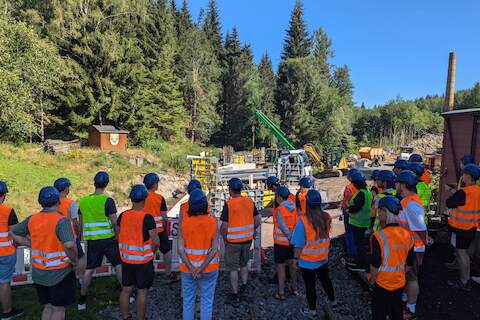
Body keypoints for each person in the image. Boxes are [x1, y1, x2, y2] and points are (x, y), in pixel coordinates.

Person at [11, 187, 78, 320]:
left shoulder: (32, 218)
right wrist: (75, 260)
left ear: (40, 202)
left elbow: (14, 233)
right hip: (59, 273)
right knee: (58, 309)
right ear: (58, 201)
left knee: (47, 307)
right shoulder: (61, 220)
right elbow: (70, 245)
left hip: (39, 273)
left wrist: (31, 244)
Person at [77, 171, 122, 311]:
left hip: (93, 241)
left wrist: (80, 237)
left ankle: (82, 300)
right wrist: (117, 236)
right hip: (108, 239)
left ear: (94, 183)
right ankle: (127, 292)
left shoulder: (83, 201)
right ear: (106, 184)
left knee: (89, 270)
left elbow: (80, 223)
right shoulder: (107, 201)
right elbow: (115, 222)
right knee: (118, 265)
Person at [118, 184, 159, 320]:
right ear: (144, 200)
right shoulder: (147, 218)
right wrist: (151, 253)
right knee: (142, 291)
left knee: (126, 289)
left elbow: (118, 234)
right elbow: (156, 241)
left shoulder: (123, 216)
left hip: (126, 260)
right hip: (143, 261)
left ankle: (126, 317)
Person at [292, 190, 335, 319]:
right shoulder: (326, 217)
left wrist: (295, 259)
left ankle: (312, 311)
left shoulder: (303, 222)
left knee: (310, 285)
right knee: (325, 279)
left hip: (307, 261)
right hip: (322, 258)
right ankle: (333, 301)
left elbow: (299, 245)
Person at [370, 196, 414, 320]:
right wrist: (398, 273)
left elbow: (375, 264)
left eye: (379, 211)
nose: (378, 214)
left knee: (379, 313)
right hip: (399, 282)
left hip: (381, 283)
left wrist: (373, 281)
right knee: (396, 311)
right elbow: (409, 264)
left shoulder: (378, 236)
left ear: (384, 212)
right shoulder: (407, 235)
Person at [179, 189, 220, 320]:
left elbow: (180, 250)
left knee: (188, 302)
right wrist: (200, 269)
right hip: (209, 269)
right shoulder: (213, 222)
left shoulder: (184, 224)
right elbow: (214, 250)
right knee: (207, 302)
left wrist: (192, 269)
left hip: (187, 270)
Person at [220, 178, 261, 301]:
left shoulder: (229, 204)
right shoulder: (249, 201)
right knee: (244, 264)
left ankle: (235, 293)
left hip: (233, 242)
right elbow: (257, 220)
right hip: (247, 240)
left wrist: (225, 238)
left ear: (230, 190)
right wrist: (252, 231)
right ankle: (244, 285)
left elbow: (224, 227)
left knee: (233, 268)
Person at [395, 170, 427, 319]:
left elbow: (420, 228)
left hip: (414, 247)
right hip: (409, 246)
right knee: (408, 276)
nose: (395, 185)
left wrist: (423, 246)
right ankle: (405, 301)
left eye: (397, 183)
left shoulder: (411, 204)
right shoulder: (406, 201)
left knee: (412, 278)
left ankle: (410, 309)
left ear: (403, 185)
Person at [445, 164, 480, 291]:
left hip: (459, 228)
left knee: (461, 253)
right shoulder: (478, 190)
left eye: (464, 174)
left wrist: (452, 193)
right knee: (464, 253)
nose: (462, 176)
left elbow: (449, 203)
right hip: (471, 228)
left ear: (468, 176)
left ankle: (464, 281)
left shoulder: (463, 192)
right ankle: (466, 279)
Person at [53, 178, 86, 276]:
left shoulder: (52, 202)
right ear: (65, 189)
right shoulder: (71, 203)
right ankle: (79, 278)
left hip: (55, 235)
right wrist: (78, 234)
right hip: (70, 235)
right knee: (81, 258)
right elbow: (75, 222)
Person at [142, 173, 173, 279]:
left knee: (148, 254)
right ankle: (168, 273)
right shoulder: (159, 198)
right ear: (155, 184)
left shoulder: (141, 197)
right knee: (167, 251)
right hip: (159, 230)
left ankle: (147, 276)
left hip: (145, 231)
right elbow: (164, 217)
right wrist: (165, 227)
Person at [0, 181, 23, 319]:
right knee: (4, 283)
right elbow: (15, 235)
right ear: (3, 195)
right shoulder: (8, 211)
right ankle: (7, 312)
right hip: (5, 253)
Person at [272, 186, 298, 300]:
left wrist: (289, 236)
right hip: (291, 243)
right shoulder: (293, 207)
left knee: (281, 267)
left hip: (280, 243)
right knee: (292, 265)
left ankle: (281, 292)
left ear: (279, 197)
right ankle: (295, 288)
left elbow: (283, 226)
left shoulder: (279, 210)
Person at [346, 171, 372, 272]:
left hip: (358, 223)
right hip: (364, 222)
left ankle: (361, 264)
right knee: (360, 244)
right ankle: (359, 261)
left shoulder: (361, 193)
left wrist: (349, 209)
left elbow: (357, 207)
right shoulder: (367, 192)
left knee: (359, 244)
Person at [341, 169, 359, 259]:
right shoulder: (363, 187)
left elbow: (347, 201)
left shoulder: (349, 187)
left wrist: (344, 208)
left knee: (349, 233)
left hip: (349, 212)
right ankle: (357, 252)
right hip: (358, 212)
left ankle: (351, 253)